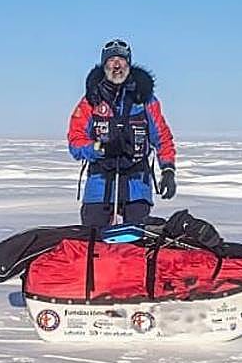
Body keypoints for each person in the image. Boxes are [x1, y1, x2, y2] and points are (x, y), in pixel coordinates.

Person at [67, 39, 177, 229]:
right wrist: (100, 148)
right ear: (104, 65)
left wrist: (168, 170)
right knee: (93, 243)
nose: (117, 65)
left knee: (135, 247)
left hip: (136, 187)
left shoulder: (145, 101)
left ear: (129, 64)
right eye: (111, 60)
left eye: (121, 60)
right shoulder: (91, 101)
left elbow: (162, 138)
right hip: (99, 186)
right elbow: (75, 142)